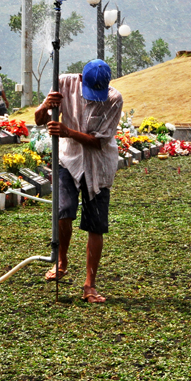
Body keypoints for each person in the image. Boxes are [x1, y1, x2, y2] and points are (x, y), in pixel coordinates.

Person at [34, 59, 123, 303]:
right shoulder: (63, 83)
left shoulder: (114, 99)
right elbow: (38, 119)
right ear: (81, 79)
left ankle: (89, 285)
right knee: (63, 212)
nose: (94, 97)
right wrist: (47, 107)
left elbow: (99, 141)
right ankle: (61, 260)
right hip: (68, 160)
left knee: (95, 224)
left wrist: (67, 131)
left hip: (98, 166)